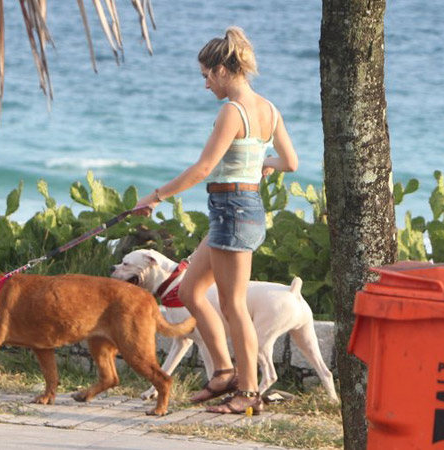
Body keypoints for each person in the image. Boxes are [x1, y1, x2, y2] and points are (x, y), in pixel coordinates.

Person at [133, 26, 298, 414]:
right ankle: (223, 372)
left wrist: (155, 197)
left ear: (224, 70)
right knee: (190, 292)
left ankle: (249, 390)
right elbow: (290, 162)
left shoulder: (232, 111)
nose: (205, 84)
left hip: (234, 212)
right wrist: (262, 163)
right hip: (235, 211)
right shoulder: (269, 109)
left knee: (233, 306)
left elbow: (203, 167)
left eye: (207, 75)